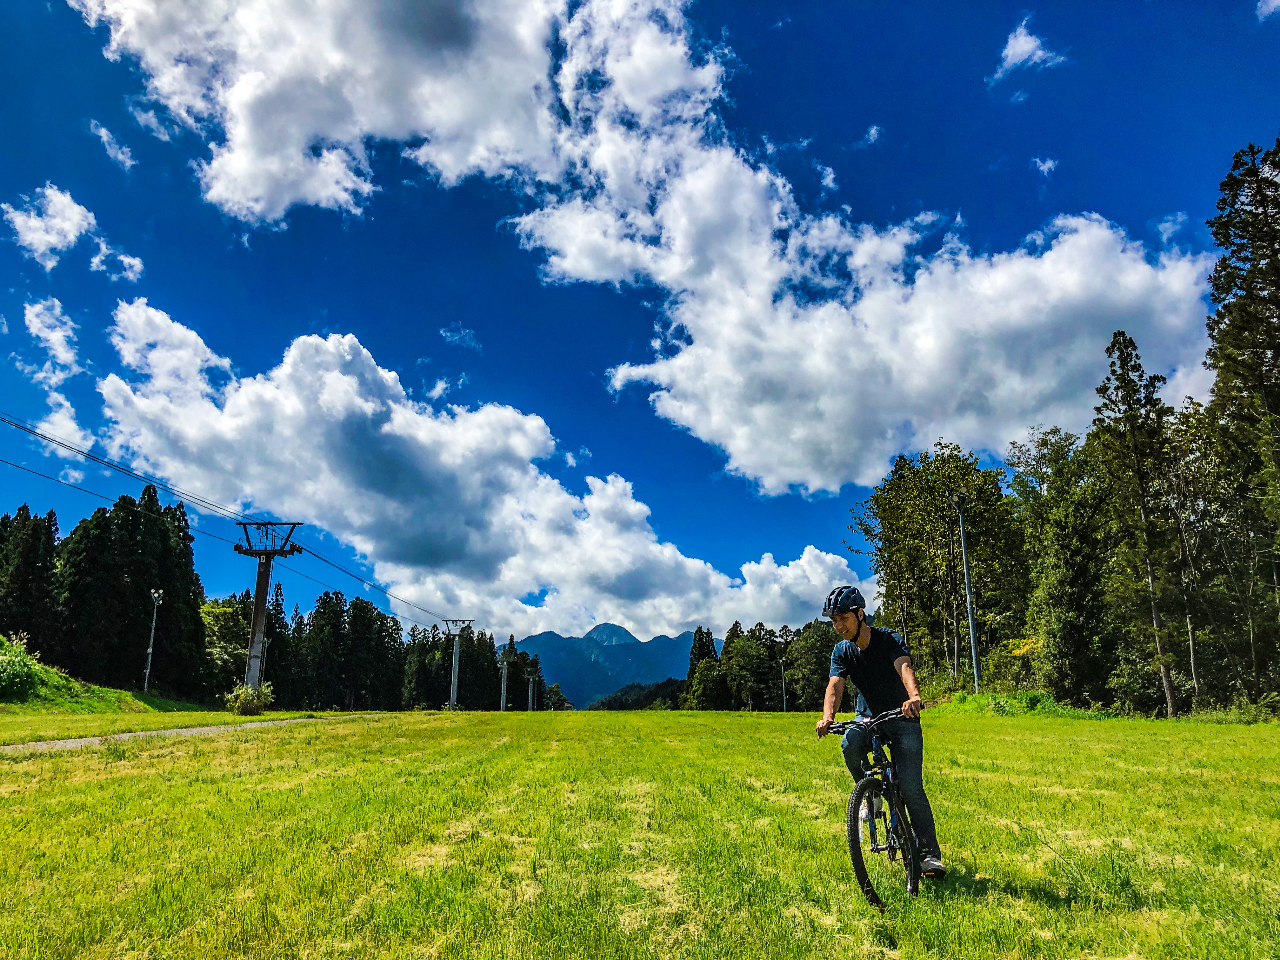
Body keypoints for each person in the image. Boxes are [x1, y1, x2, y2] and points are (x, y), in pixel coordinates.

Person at [815, 585, 946, 879]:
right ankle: (870, 793)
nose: (839, 626)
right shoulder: (842, 651)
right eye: (834, 621)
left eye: (843, 618)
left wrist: (914, 697)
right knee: (849, 742)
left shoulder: (888, 639)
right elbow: (835, 685)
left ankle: (929, 856)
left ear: (860, 614)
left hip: (901, 716)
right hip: (868, 717)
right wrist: (828, 717)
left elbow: (904, 667)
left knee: (911, 788)